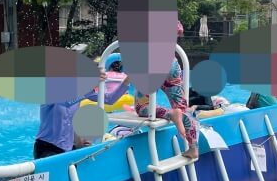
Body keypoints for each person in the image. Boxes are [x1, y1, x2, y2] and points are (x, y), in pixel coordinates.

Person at [33, 60, 130, 160]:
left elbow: (109, 99)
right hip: (47, 148)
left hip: (68, 149)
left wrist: (128, 80)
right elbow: (66, 102)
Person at [133, 21, 199, 160]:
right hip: (171, 63)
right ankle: (193, 148)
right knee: (183, 108)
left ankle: (171, 114)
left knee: (142, 107)